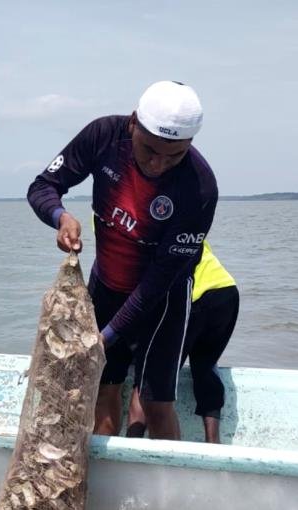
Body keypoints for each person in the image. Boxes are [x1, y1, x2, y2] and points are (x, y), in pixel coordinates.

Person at [27, 80, 218, 440]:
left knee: (156, 401)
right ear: (133, 123)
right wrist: (60, 217)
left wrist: (107, 336)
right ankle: (109, 475)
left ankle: (166, 488)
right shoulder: (104, 136)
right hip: (106, 285)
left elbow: (159, 282)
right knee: (103, 387)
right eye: (149, 150)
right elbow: (42, 187)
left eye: (174, 155)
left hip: (163, 301)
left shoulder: (199, 188)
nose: (158, 164)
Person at [126, 240, 239, 443]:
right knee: (205, 365)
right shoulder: (181, 220)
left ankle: (130, 447)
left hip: (191, 296)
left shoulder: (137, 229)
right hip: (226, 290)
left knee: (148, 377)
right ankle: (213, 446)